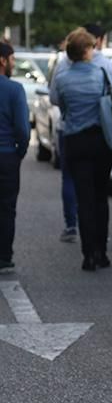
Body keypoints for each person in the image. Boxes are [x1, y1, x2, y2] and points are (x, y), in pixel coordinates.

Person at [52, 23, 112, 243]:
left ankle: (88, 252)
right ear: (85, 51)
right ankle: (101, 249)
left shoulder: (62, 76)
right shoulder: (101, 73)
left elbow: (56, 100)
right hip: (99, 138)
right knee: (100, 196)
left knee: (83, 197)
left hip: (74, 138)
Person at [0, 42, 29, 272]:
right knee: (7, 207)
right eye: (12, 59)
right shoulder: (14, 90)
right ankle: (4, 256)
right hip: (6, 155)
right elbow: (22, 129)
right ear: (2, 60)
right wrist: (20, 150)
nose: (13, 64)